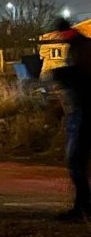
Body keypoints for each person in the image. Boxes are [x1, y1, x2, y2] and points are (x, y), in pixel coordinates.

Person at [51, 18, 91, 221]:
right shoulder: (81, 45)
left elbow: (83, 78)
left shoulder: (81, 47)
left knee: (76, 162)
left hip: (84, 114)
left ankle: (84, 209)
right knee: (78, 163)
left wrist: (61, 74)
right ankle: (81, 208)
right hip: (80, 112)